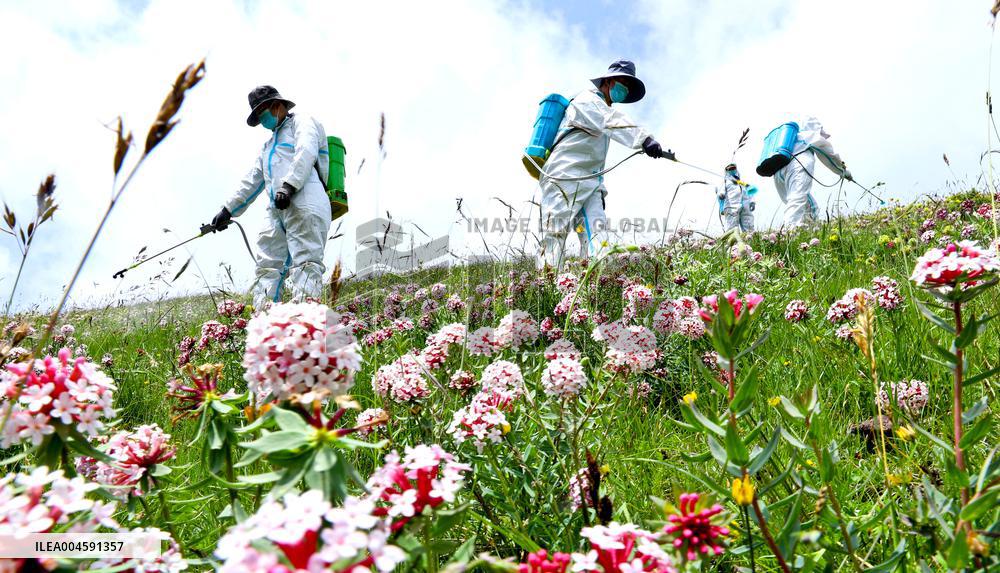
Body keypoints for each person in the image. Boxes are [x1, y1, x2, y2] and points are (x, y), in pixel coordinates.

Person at [537, 60, 671, 269]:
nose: (625, 90)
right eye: (623, 83)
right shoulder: (586, 100)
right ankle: (546, 291)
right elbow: (611, 120)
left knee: (598, 235)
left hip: (589, 183)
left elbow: (594, 157)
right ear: (608, 81)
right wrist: (644, 139)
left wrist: (600, 189)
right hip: (563, 176)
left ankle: (596, 287)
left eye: (628, 88)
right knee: (555, 232)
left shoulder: (601, 112)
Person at [210, 85, 332, 309]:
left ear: (277, 106)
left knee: (305, 263)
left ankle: (305, 324)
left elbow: (306, 151)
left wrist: (289, 185)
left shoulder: (302, 122)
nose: (261, 119)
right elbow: (253, 179)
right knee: (267, 266)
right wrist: (228, 210)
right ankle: (264, 326)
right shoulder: (268, 146)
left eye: (262, 112)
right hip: (277, 207)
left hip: (305, 199)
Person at [774, 116, 851, 227]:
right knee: (798, 200)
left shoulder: (792, 140)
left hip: (778, 171)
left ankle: (803, 232)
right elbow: (829, 156)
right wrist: (843, 171)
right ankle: (790, 232)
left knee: (806, 205)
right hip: (797, 166)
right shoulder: (810, 135)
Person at [717, 163, 755, 232]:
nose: (732, 170)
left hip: (745, 206)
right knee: (732, 226)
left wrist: (752, 201)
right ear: (726, 171)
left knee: (748, 223)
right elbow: (720, 191)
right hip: (732, 206)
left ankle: (749, 239)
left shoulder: (742, 182)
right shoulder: (725, 182)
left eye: (733, 168)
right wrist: (721, 194)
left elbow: (750, 191)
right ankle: (733, 241)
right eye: (730, 169)